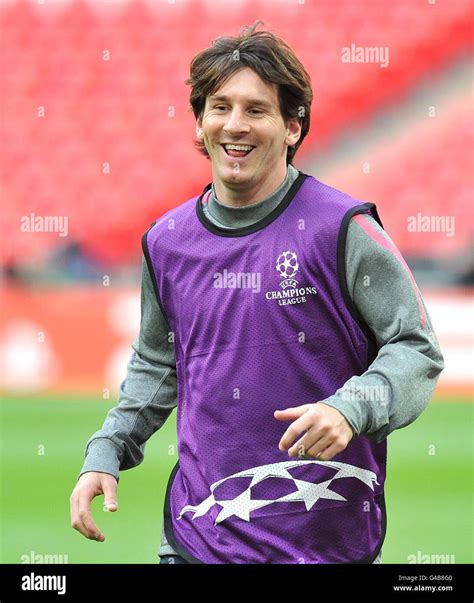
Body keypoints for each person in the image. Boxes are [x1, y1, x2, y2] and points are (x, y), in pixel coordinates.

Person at [70, 22, 444, 564]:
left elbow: (416, 348)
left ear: (293, 127)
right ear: (199, 124)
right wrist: (107, 450)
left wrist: (350, 409)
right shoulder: (168, 242)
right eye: (219, 107)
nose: (234, 125)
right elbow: (157, 362)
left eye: (256, 110)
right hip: (199, 538)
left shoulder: (342, 228)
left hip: (324, 544)